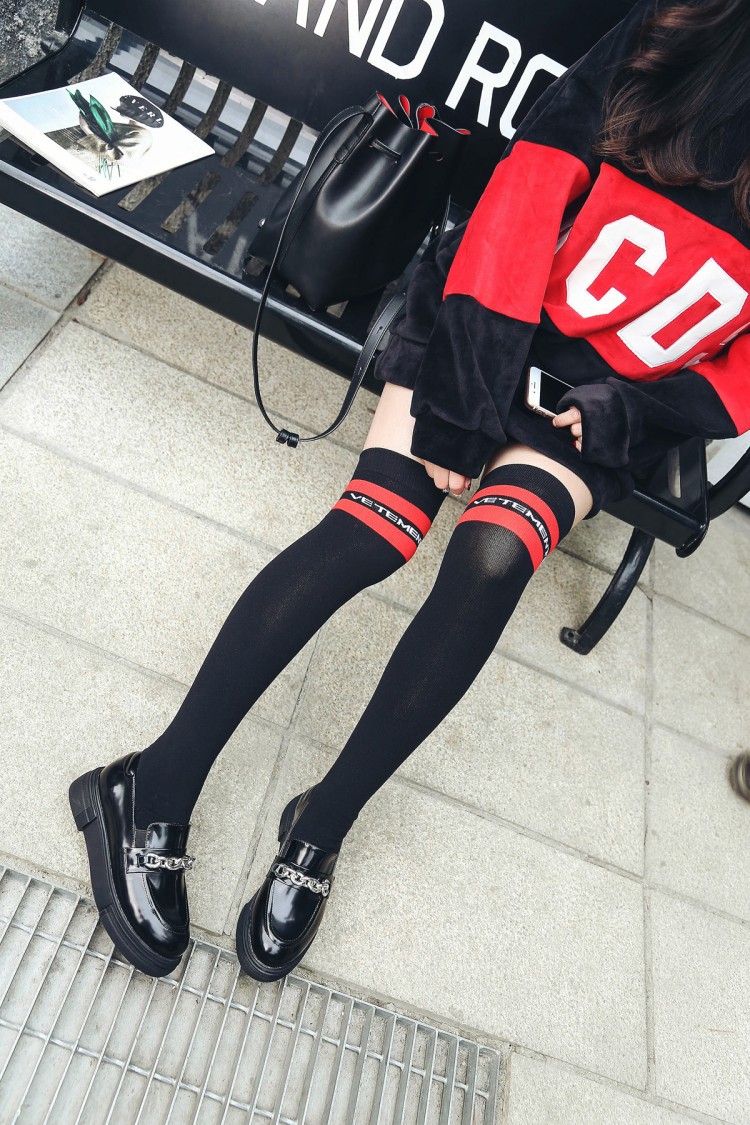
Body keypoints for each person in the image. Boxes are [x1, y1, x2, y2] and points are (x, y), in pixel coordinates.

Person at [69, 0, 750, 981]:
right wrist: (466, 404)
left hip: (607, 399)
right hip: (484, 318)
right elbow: (526, 191)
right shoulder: (683, 28)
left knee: (491, 563)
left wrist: (625, 414)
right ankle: (152, 785)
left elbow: (740, 372)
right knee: (375, 532)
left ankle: (321, 827)